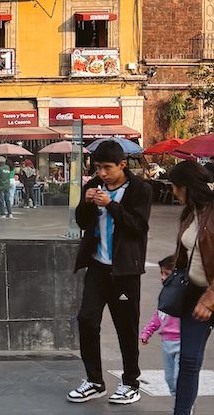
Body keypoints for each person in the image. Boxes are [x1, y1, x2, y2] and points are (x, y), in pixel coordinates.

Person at [67, 140, 152, 405]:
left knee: (126, 328)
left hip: (125, 271)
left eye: (107, 168)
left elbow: (138, 227)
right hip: (97, 267)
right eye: (98, 167)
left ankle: (130, 383)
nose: (102, 173)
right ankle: (94, 380)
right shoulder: (92, 186)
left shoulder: (140, 189)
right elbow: (81, 221)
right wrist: (89, 203)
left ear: (122, 165)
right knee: (86, 319)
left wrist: (112, 206)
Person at [168, 160, 214, 415]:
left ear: (188, 187)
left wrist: (210, 297)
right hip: (194, 295)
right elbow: (189, 250)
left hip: (209, 296)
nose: (174, 193)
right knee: (188, 360)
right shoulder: (189, 211)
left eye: (176, 187)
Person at [139, 255, 180, 396]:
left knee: (178, 377)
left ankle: (184, 407)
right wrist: (147, 332)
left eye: (166, 274)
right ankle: (179, 405)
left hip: (181, 342)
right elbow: (158, 315)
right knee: (169, 378)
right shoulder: (165, 295)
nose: (162, 277)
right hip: (166, 343)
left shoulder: (183, 295)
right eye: (161, 273)